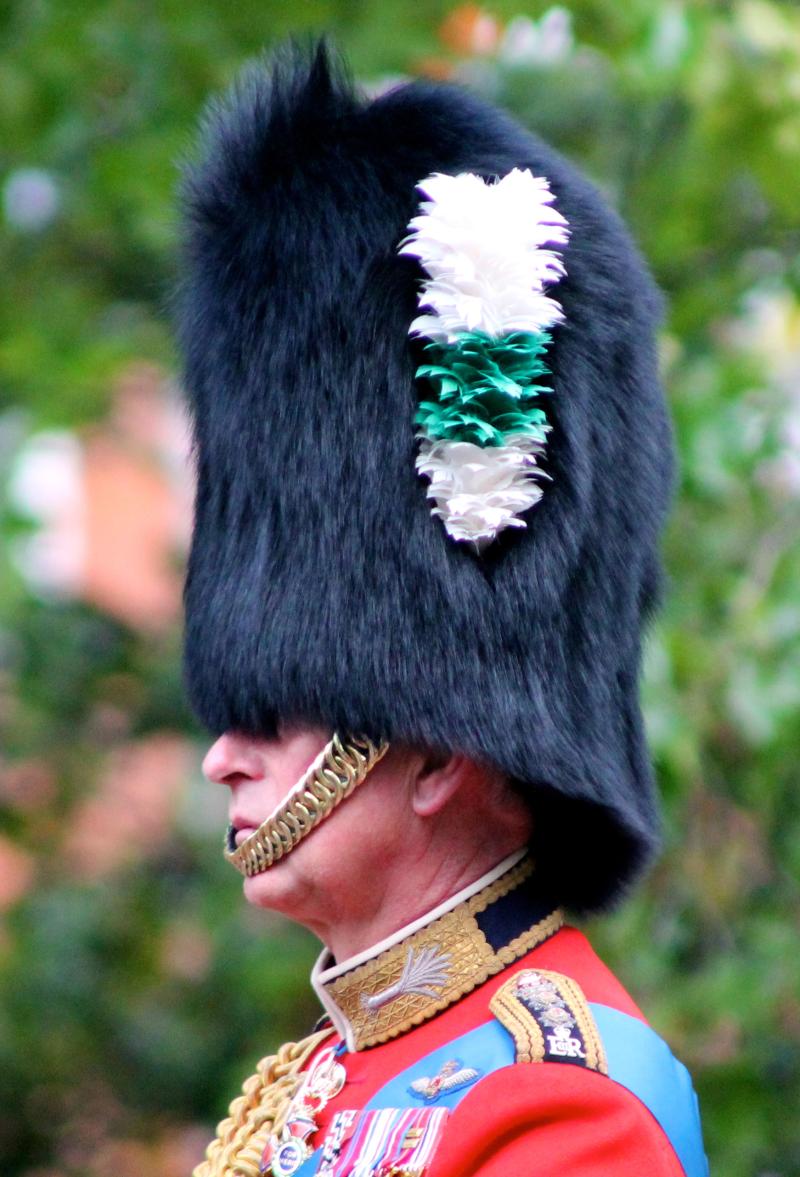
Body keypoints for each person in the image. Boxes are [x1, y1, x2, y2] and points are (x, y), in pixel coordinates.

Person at [176, 39, 708, 1177]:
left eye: (274, 711)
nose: (222, 755)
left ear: (430, 752)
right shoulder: (318, 1086)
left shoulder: (566, 1104)